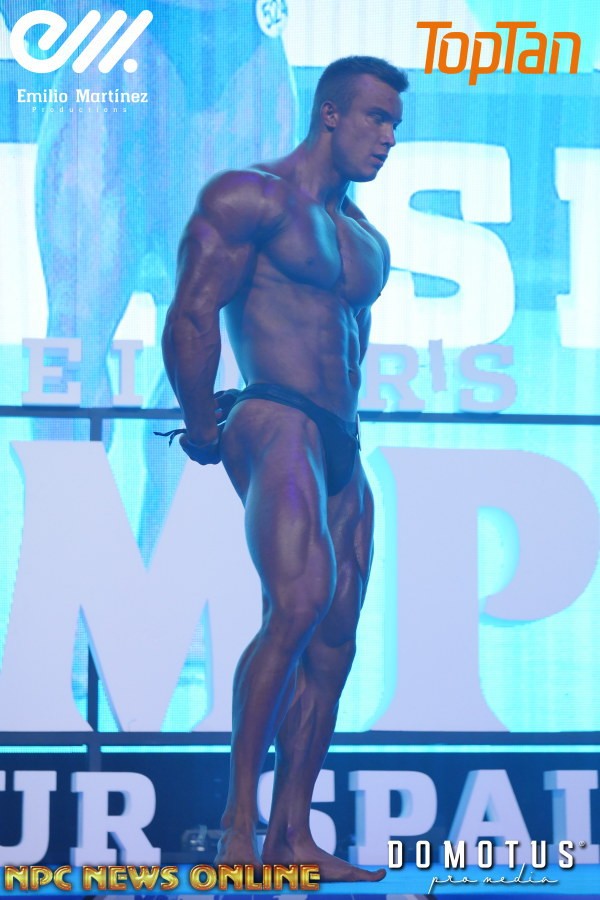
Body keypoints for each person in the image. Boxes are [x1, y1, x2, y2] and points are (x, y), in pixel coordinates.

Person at [162, 56, 408, 883]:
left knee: (335, 637)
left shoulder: (367, 241)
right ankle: (238, 825)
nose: (387, 138)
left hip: (340, 435)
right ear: (330, 114)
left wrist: (348, 441)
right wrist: (202, 423)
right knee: (297, 604)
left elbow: (350, 349)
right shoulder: (251, 197)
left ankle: (292, 836)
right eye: (375, 118)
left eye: (395, 124)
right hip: (273, 410)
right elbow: (193, 310)